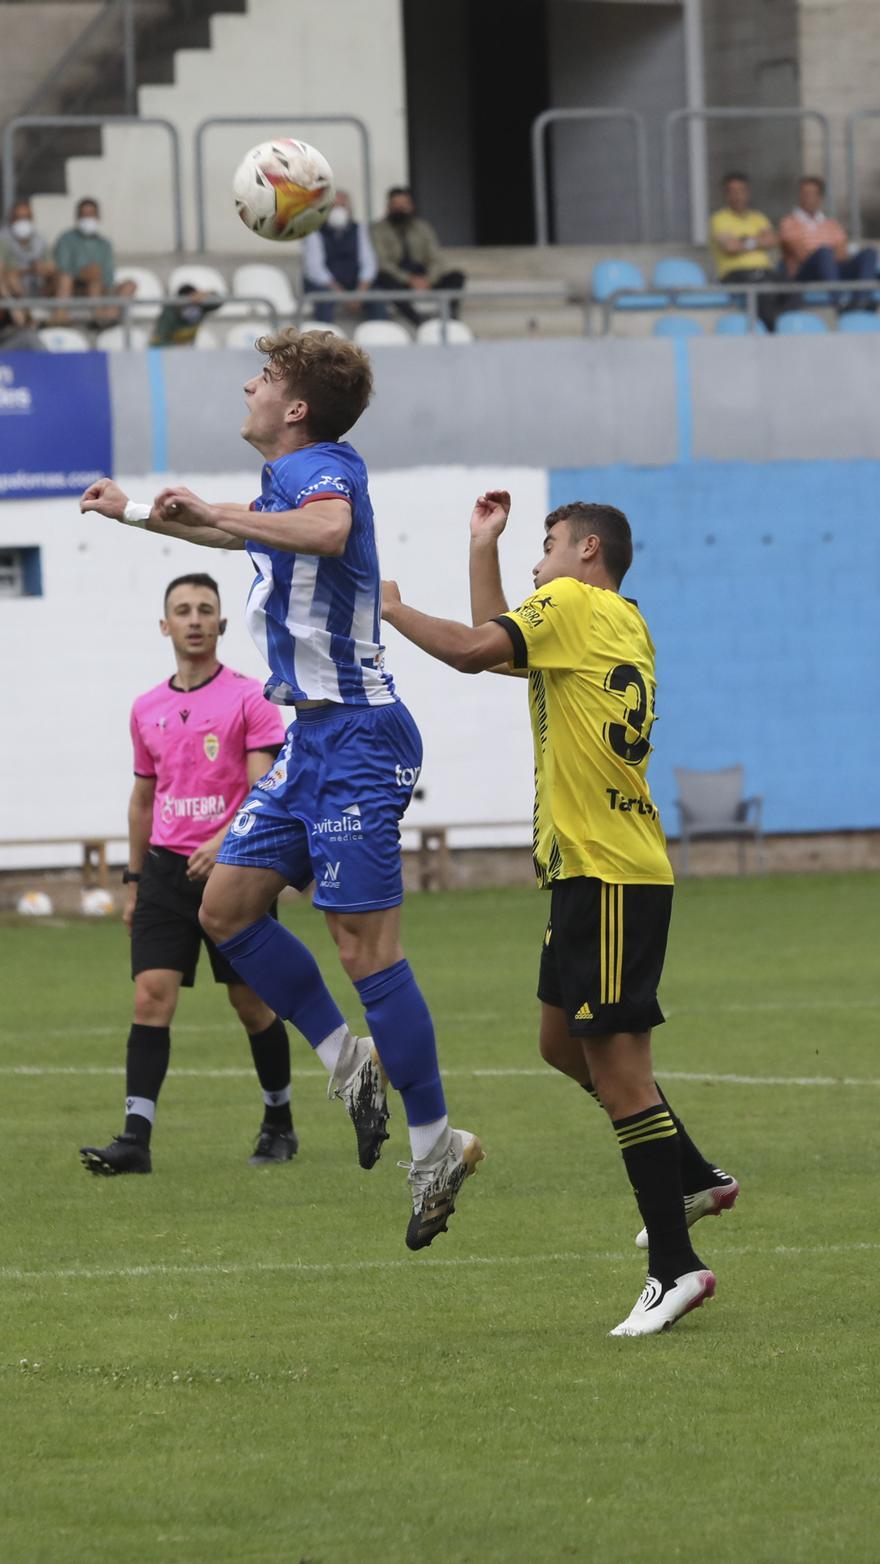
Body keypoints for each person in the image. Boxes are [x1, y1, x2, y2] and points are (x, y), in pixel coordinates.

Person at [78, 328, 483, 1248]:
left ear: (295, 407)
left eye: (263, 377)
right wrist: (135, 508)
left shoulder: (326, 471)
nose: (250, 386)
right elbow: (221, 526)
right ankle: (349, 1067)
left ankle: (435, 1150)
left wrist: (219, 511)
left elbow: (328, 530)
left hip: (362, 739)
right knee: (223, 906)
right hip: (311, 738)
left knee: (364, 950)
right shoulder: (282, 485)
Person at [379, 491, 738, 1336]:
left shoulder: (573, 604)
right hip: (593, 873)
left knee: (620, 1074)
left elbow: (472, 649)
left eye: (543, 546)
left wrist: (390, 607)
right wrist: (482, 546)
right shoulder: (618, 620)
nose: (534, 562)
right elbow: (499, 644)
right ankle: (693, 1178)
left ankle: (674, 1269)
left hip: (609, 876)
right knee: (558, 1043)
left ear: (586, 551)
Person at [79, 573, 297, 1175]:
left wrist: (224, 840)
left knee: (251, 1003)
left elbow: (263, 788)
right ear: (165, 625)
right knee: (151, 996)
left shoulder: (251, 697)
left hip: (236, 870)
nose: (195, 619)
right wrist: (132, 881)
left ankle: (278, 1121)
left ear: (222, 623)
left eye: (206, 609)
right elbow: (143, 800)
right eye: (183, 610)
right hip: (164, 875)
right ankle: (135, 1141)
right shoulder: (146, 708)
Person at [778, 175, 877, 312]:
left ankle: (861, 301)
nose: (807, 197)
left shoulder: (832, 224)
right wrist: (826, 255)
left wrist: (827, 260)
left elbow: (843, 254)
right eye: (804, 193)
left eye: (811, 194)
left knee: (869, 253)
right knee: (824, 252)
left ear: (820, 198)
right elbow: (802, 256)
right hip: (805, 274)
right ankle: (839, 302)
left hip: (832, 271)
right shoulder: (788, 222)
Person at [370, 185, 465, 329]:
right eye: (396, 205)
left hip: (423, 275)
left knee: (457, 277)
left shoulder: (422, 227)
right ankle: (418, 320)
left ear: (411, 206)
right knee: (383, 278)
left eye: (404, 205)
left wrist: (427, 279)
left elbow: (435, 258)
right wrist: (409, 279)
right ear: (388, 207)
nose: (400, 209)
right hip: (399, 277)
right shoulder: (378, 229)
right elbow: (382, 262)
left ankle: (450, 319)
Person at [301, 190, 385, 324]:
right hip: (326, 286)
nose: (338, 211)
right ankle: (323, 341)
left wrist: (360, 292)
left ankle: (379, 336)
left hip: (355, 285)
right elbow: (315, 269)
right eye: (333, 206)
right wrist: (342, 295)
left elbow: (369, 263)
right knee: (323, 298)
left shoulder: (359, 229)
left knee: (378, 297)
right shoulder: (314, 231)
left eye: (342, 206)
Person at [709, 172, 778, 330]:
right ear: (726, 195)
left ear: (748, 193)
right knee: (762, 291)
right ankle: (771, 335)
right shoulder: (719, 219)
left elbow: (772, 240)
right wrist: (757, 241)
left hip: (765, 272)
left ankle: (788, 327)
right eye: (732, 192)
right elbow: (730, 247)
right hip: (735, 274)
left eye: (741, 191)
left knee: (792, 288)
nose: (737, 196)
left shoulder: (758, 217)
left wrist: (743, 241)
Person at [52, 197, 136, 326]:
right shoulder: (66, 239)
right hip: (73, 288)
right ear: (77, 218)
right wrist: (83, 274)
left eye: (91, 214)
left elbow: (108, 276)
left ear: (98, 217)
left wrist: (97, 279)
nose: (88, 218)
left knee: (129, 285)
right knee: (86, 276)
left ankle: (104, 320)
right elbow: (62, 268)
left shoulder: (105, 244)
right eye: (84, 215)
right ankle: (87, 317)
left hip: (99, 288)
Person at [0, 199, 56, 301]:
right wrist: (29, 270)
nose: (23, 222)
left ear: (32, 219)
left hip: (38, 286)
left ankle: (57, 310)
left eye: (26, 217)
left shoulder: (40, 240)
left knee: (60, 276)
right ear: (11, 219)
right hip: (12, 287)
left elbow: (51, 267)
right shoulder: (3, 239)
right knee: (10, 278)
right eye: (18, 218)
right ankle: (25, 312)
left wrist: (43, 268)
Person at [150, 283, 223, 348]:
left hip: (186, 355)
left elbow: (218, 302)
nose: (192, 309)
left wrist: (205, 294)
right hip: (165, 354)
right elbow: (157, 344)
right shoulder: (169, 313)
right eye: (188, 304)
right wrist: (179, 347)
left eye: (195, 304)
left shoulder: (200, 311)